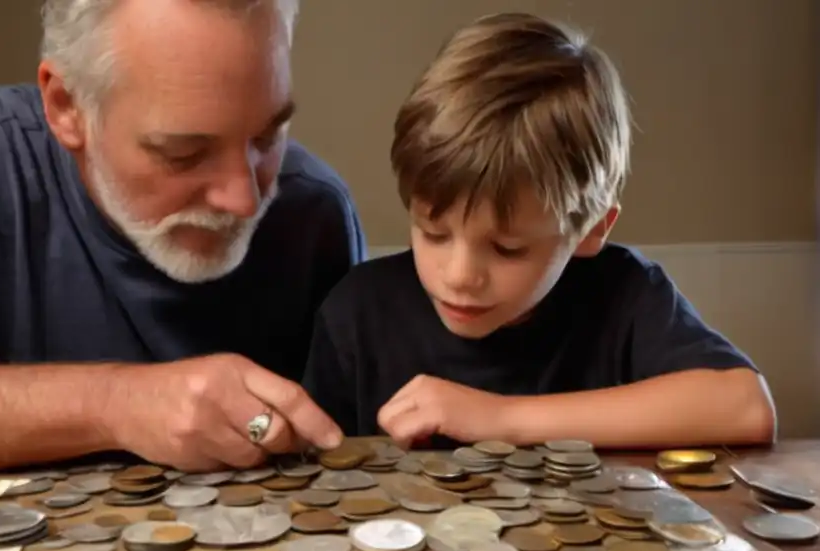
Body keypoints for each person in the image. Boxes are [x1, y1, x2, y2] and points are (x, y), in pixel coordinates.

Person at [0, 0, 362, 473]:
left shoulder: (315, 213)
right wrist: (115, 402)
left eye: (268, 135)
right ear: (66, 107)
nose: (244, 198)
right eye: (184, 154)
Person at [302, 12, 777, 450]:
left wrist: (504, 419)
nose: (460, 275)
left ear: (590, 230)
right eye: (434, 233)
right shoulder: (357, 315)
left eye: (507, 249)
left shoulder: (624, 296)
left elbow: (746, 408)